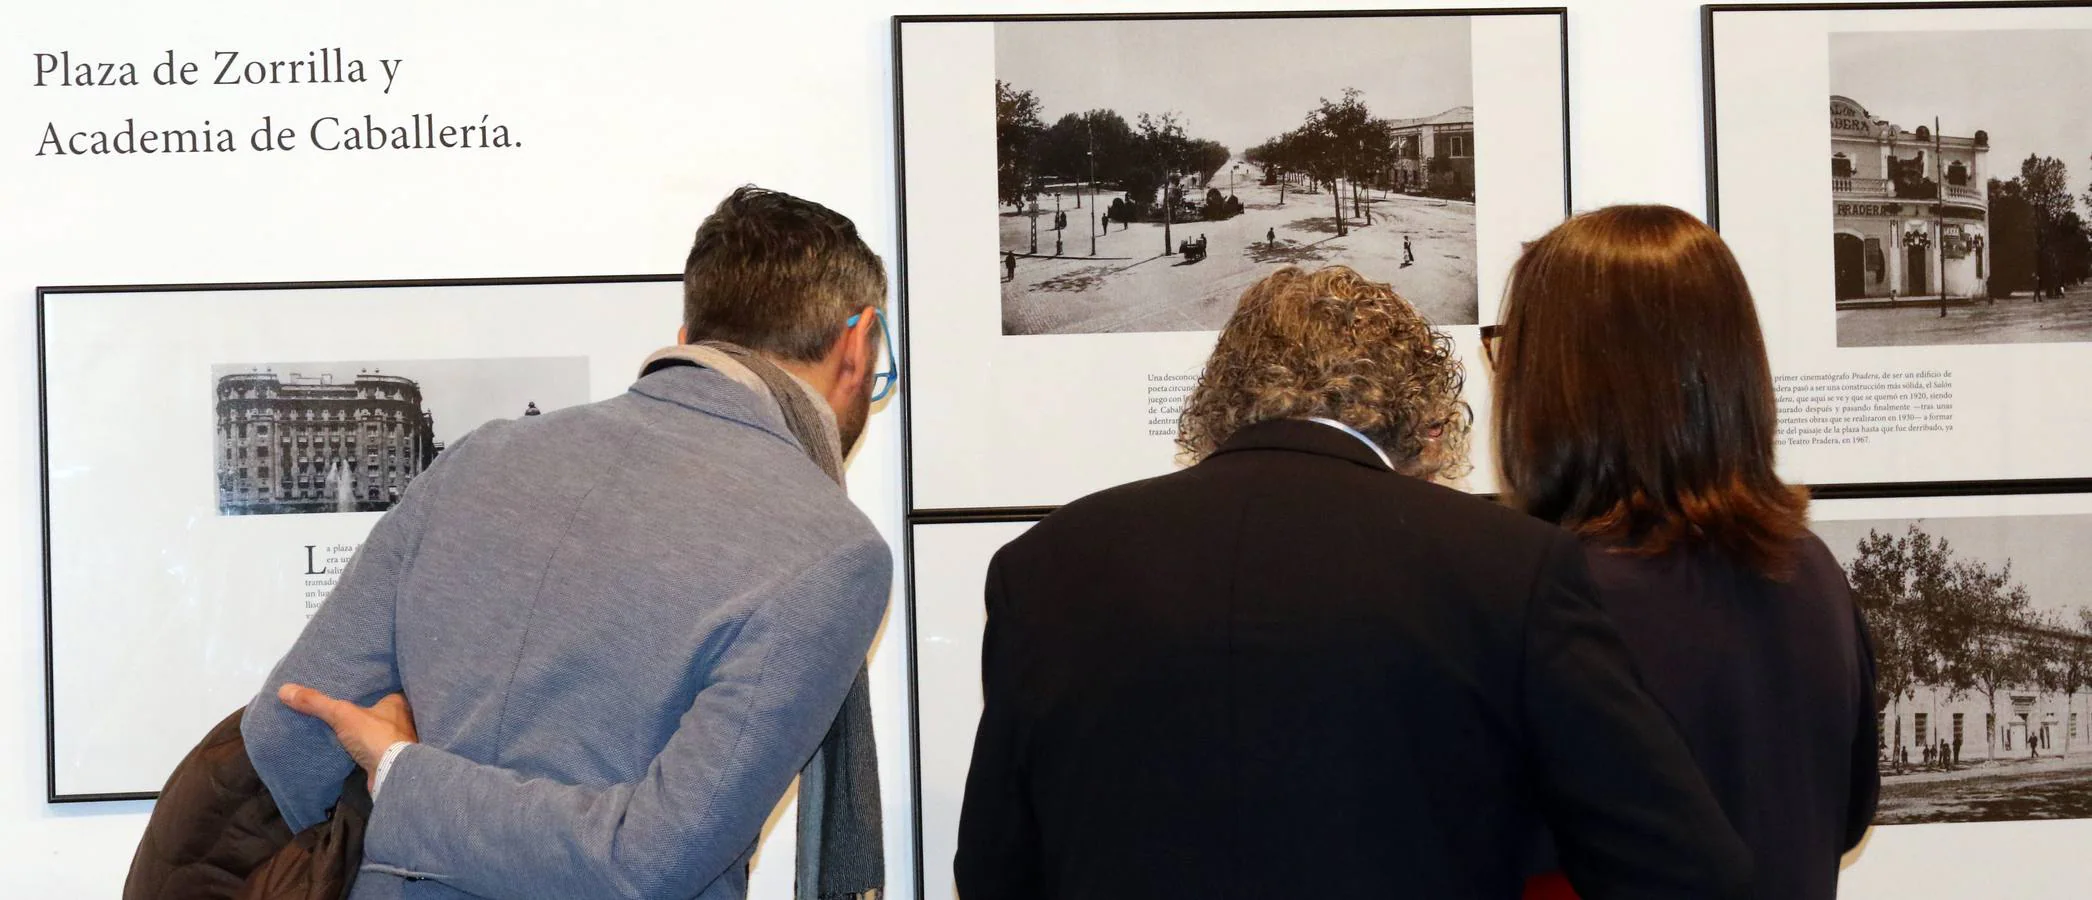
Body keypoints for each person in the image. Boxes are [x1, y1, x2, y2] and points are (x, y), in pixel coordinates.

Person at [955, 264, 1752, 899]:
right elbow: (1687, 872)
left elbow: (992, 870)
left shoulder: (1047, 565)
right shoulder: (1509, 566)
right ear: (1423, 417)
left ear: (1223, 394)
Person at [241, 186, 900, 900]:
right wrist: (407, 778)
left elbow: (287, 733)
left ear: (689, 337)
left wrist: (398, 776)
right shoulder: (830, 550)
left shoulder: (481, 457)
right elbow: (643, 861)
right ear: (858, 343)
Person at [1493, 206, 1879, 900]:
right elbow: (1846, 819)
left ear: (1559, 380)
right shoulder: (1812, 568)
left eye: (1510, 349)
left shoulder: (1546, 593)